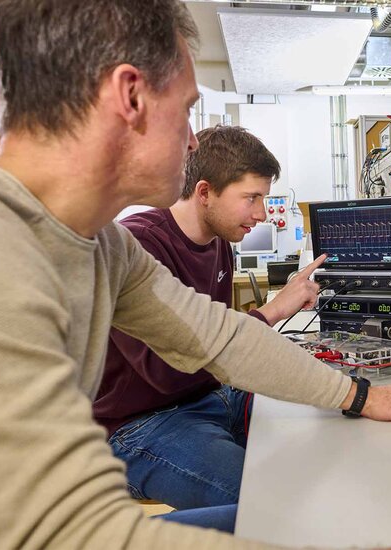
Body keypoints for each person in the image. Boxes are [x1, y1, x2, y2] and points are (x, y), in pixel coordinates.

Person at [0, 1, 391, 549]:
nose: (190, 141)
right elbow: (76, 535)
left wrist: (365, 396)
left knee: (301, 517)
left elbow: (219, 340)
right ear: (130, 96)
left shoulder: (93, 246)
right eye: (186, 111)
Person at [94, 125, 325, 509]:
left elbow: (216, 343)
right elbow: (168, 370)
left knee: (323, 435)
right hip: (139, 426)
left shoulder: (220, 243)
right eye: (251, 198)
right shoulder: (138, 246)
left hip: (209, 397)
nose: (262, 214)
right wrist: (270, 312)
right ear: (204, 192)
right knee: (269, 505)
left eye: (263, 199)